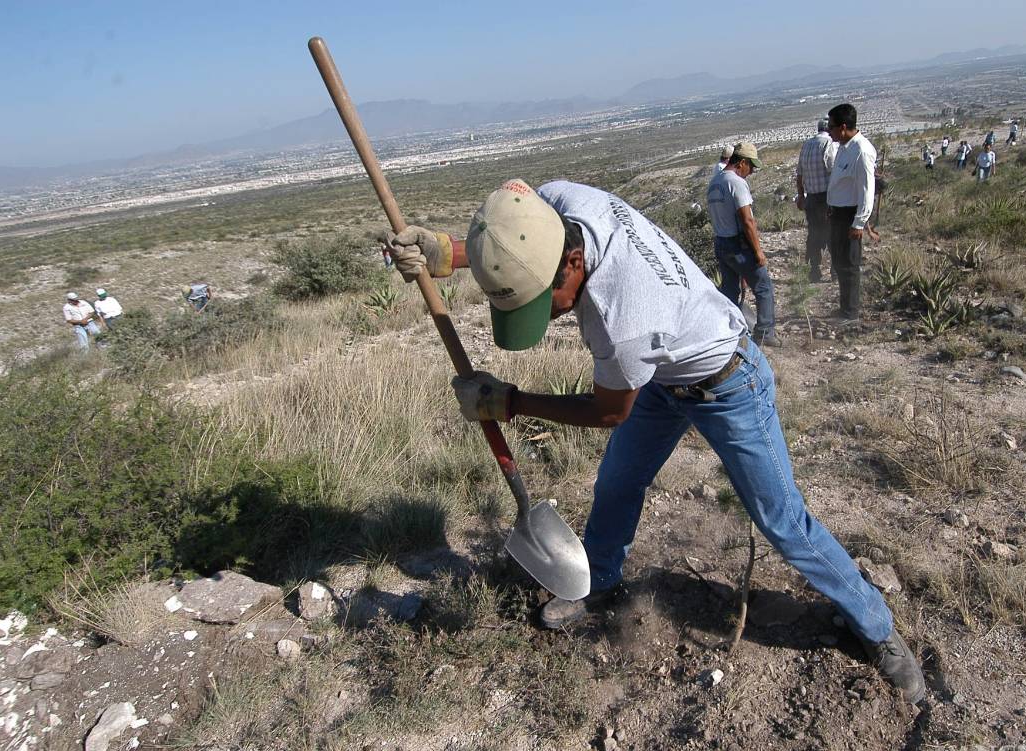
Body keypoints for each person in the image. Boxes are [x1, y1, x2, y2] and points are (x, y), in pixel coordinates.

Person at [381, 178, 927, 704]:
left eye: (544, 300)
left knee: (782, 520)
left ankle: (877, 629)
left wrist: (510, 402)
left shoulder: (625, 322)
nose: (544, 314)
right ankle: (600, 580)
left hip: (727, 382)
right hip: (666, 376)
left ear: (572, 263)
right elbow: (519, 233)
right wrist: (448, 253)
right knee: (618, 480)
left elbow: (607, 411)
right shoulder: (556, 202)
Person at [707, 142, 778, 346]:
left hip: (721, 243)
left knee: (729, 291)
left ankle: (729, 332)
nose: (752, 171)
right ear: (742, 163)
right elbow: (747, 220)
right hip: (738, 245)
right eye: (751, 166)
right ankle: (765, 333)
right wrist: (758, 252)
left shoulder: (715, 182)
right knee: (763, 287)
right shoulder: (735, 182)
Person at [826, 103, 876, 322]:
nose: (829, 130)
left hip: (849, 216)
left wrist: (859, 222)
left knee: (849, 265)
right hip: (836, 214)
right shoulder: (844, 148)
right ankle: (844, 307)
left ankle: (851, 312)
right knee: (839, 262)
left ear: (843, 127)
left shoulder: (862, 151)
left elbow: (867, 189)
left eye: (832, 126)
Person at [794, 118, 838, 283]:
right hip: (827, 197)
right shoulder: (828, 144)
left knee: (814, 234)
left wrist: (800, 195)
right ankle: (835, 271)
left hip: (811, 199)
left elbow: (799, 175)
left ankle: (814, 271)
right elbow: (833, 171)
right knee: (832, 233)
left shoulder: (806, 145)